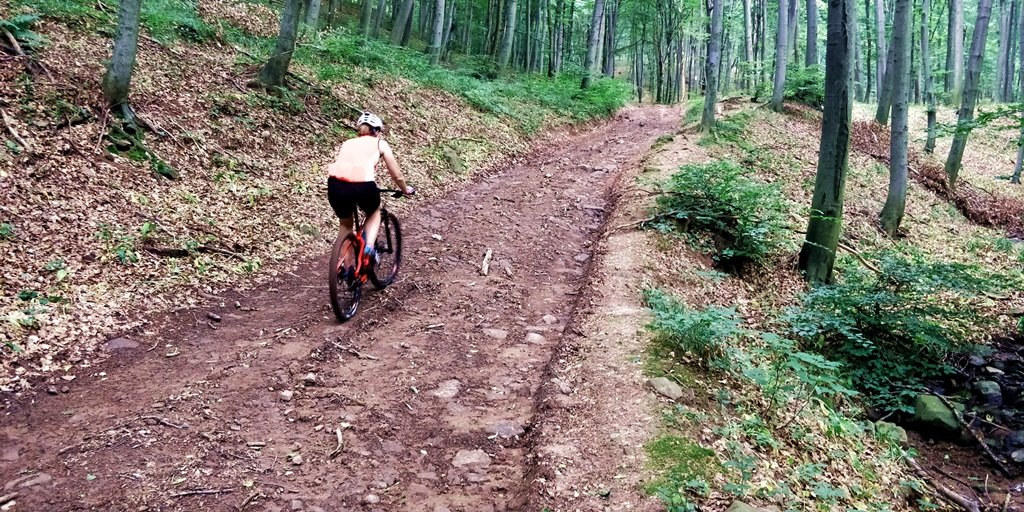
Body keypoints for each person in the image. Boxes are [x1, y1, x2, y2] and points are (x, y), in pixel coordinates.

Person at [326, 112, 414, 261]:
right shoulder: (380, 143)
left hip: (335, 185)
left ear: (359, 130)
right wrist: (405, 189)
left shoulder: (347, 143)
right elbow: (396, 175)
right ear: (378, 131)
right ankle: (369, 248)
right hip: (363, 185)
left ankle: (345, 270)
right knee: (374, 212)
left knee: (345, 226)